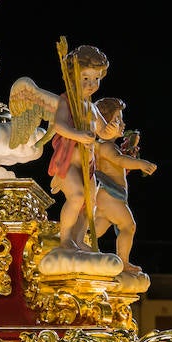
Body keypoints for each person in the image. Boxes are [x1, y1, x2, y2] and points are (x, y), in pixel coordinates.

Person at [65, 97, 157, 271]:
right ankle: (123, 261)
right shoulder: (107, 147)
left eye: (121, 120)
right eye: (117, 120)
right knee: (128, 226)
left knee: (95, 232)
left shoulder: (102, 147)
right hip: (110, 195)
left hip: (106, 196)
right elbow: (120, 161)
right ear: (104, 124)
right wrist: (140, 164)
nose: (122, 124)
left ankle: (75, 242)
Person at [46, 45, 121, 252]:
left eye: (96, 79)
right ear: (71, 77)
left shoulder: (92, 106)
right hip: (69, 162)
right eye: (85, 78)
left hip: (88, 164)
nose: (91, 84)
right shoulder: (66, 101)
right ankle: (66, 239)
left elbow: (102, 132)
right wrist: (78, 134)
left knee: (90, 204)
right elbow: (59, 126)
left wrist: (111, 131)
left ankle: (79, 240)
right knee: (77, 196)